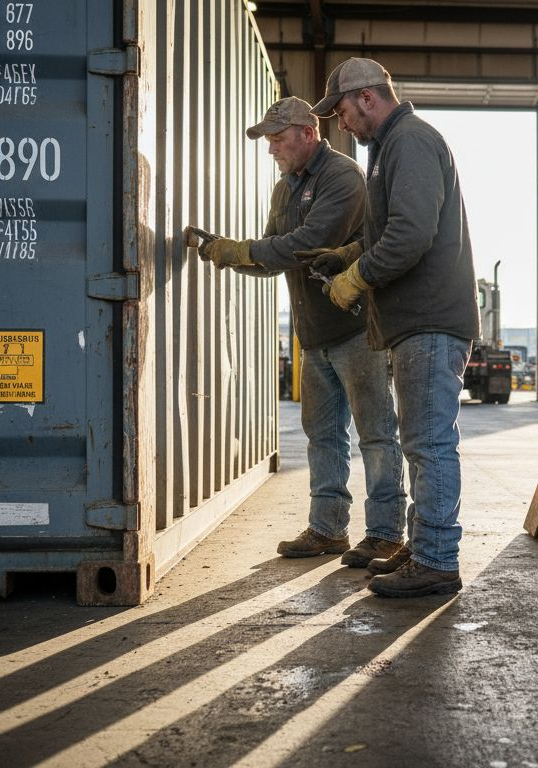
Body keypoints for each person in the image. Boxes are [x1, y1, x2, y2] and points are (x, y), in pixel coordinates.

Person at [197, 96, 406, 568]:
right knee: (324, 435)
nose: (271, 148)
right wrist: (226, 254)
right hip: (313, 334)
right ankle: (328, 529)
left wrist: (240, 250)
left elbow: (307, 245)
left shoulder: (343, 177)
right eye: (267, 139)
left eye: (276, 137)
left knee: (375, 433)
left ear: (307, 133)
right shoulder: (284, 189)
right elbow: (273, 257)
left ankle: (386, 534)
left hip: (357, 330)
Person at [302, 59, 480, 598]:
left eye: (341, 110)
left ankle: (436, 560)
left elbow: (410, 234)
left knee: (427, 443)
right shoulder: (389, 149)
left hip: (428, 320)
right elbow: (387, 231)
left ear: (367, 98)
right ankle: (423, 544)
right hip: (413, 323)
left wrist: (357, 277)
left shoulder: (410, 142)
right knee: (417, 441)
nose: (340, 122)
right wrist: (346, 255)